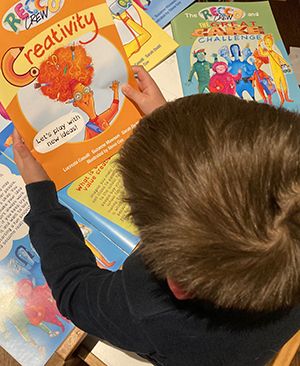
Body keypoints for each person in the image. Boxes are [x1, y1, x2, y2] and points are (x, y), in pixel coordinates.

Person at [13, 66, 300, 366]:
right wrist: (172, 131)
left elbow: (74, 291)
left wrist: (41, 195)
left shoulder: (150, 308)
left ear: (178, 284)